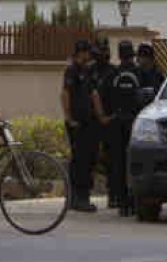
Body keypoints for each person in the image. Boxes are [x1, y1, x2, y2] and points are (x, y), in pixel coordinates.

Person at [96, 40, 143, 216]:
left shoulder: (113, 74)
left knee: (118, 164)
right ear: (133, 54)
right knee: (135, 162)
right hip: (136, 124)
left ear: (119, 54)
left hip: (116, 124)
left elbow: (97, 94)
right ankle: (135, 200)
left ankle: (122, 202)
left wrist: (103, 117)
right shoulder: (140, 73)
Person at [61, 40, 98, 212]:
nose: (89, 55)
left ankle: (82, 196)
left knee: (88, 159)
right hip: (77, 123)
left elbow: (92, 94)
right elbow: (65, 94)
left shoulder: (86, 70)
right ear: (80, 52)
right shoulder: (72, 70)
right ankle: (77, 198)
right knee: (79, 160)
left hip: (88, 123)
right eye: (87, 52)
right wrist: (69, 118)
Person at [89, 39, 119, 208]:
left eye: (105, 50)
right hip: (92, 122)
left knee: (112, 160)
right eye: (100, 50)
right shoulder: (89, 71)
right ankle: (83, 195)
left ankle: (113, 195)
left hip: (110, 121)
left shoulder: (113, 71)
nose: (103, 54)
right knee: (90, 159)